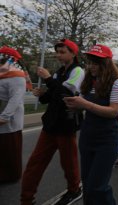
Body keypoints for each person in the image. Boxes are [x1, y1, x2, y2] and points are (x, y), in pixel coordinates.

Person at [20, 39, 84, 205]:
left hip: (66, 126)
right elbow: (51, 97)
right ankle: (26, 199)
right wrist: (41, 94)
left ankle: (74, 190)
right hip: (50, 125)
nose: (58, 55)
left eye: (63, 52)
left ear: (73, 53)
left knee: (69, 163)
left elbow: (66, 95)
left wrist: (48, 79)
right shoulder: (58, 72)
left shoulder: (78, 71)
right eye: (57, 52)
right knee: (35, 163)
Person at [63, 44, 118, 205]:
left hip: (107, 140)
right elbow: (83, 106)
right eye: (89, 62)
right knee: (88, 185)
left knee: (98, 187)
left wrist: (84, 104)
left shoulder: (116, 83)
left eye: (95, 63)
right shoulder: (88, 81)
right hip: (87, 137)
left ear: (105, 64)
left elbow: (113, 111)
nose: (90, 66)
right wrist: (74, 106)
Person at [0, 47, 26, 184]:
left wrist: (4, 117)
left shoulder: (16, 75)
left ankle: (11, 175)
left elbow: (15, 99)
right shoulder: (3, 73)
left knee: (9, 148)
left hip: (9, 120)